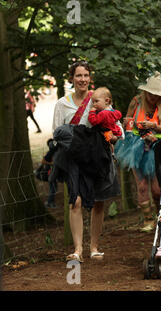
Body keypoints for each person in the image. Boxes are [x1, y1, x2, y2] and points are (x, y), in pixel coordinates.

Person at [52, 60, 122, 262]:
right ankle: (77, 250)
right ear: (72, 78)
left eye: (85, 75)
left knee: (99, 202)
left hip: (98, 157)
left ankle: (94, 247)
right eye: (78, 76)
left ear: (90, 78)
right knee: (76, 201)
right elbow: (57, 133)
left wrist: (114, 138)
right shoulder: (62, 104)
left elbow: (116, 126)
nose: (82, 79)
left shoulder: (99, 99)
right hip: (74, 158)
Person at [115, 72, 161, 232]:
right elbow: (128, 122)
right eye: (151, 94)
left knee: (156, 188)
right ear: (146, 92)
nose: (153, 97)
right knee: (141, 186)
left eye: (156, 95)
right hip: (136, 146)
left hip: (157, 147)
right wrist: (129, 124)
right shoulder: (136, 101)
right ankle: (148, 220)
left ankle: (159, 214)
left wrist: (153, 128)